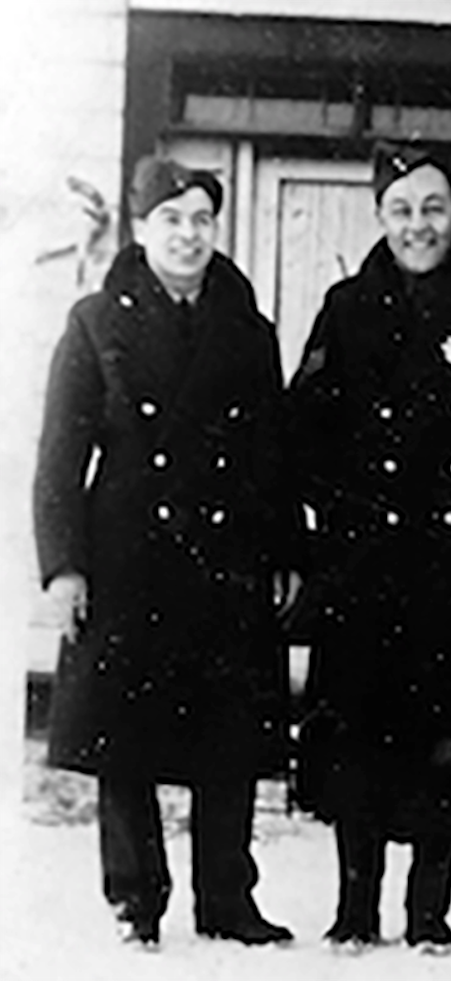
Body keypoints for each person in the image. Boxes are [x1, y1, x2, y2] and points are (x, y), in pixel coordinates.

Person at [287, 141, 451, 955]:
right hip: (367, 566)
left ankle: (429, 911)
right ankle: (355, 908)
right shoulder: (346, 306)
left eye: (432, 207)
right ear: (380, 217)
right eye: (401, 209)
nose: (418, 225)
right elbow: (304, 427)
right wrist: (337, 518)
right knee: (359, 735)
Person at [33, 157, 300, 949]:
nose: (189, 235)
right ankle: (136, 897)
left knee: (229, 736)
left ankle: (227, 899)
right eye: (172, 220)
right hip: (127, 560)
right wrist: (66, 565)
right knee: (127, 739)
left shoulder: (248, 330)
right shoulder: (94, 321)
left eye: (201, 220)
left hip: (225, 558)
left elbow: (272, 452)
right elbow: (59, 457)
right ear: (143, 229)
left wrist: (286, 547)